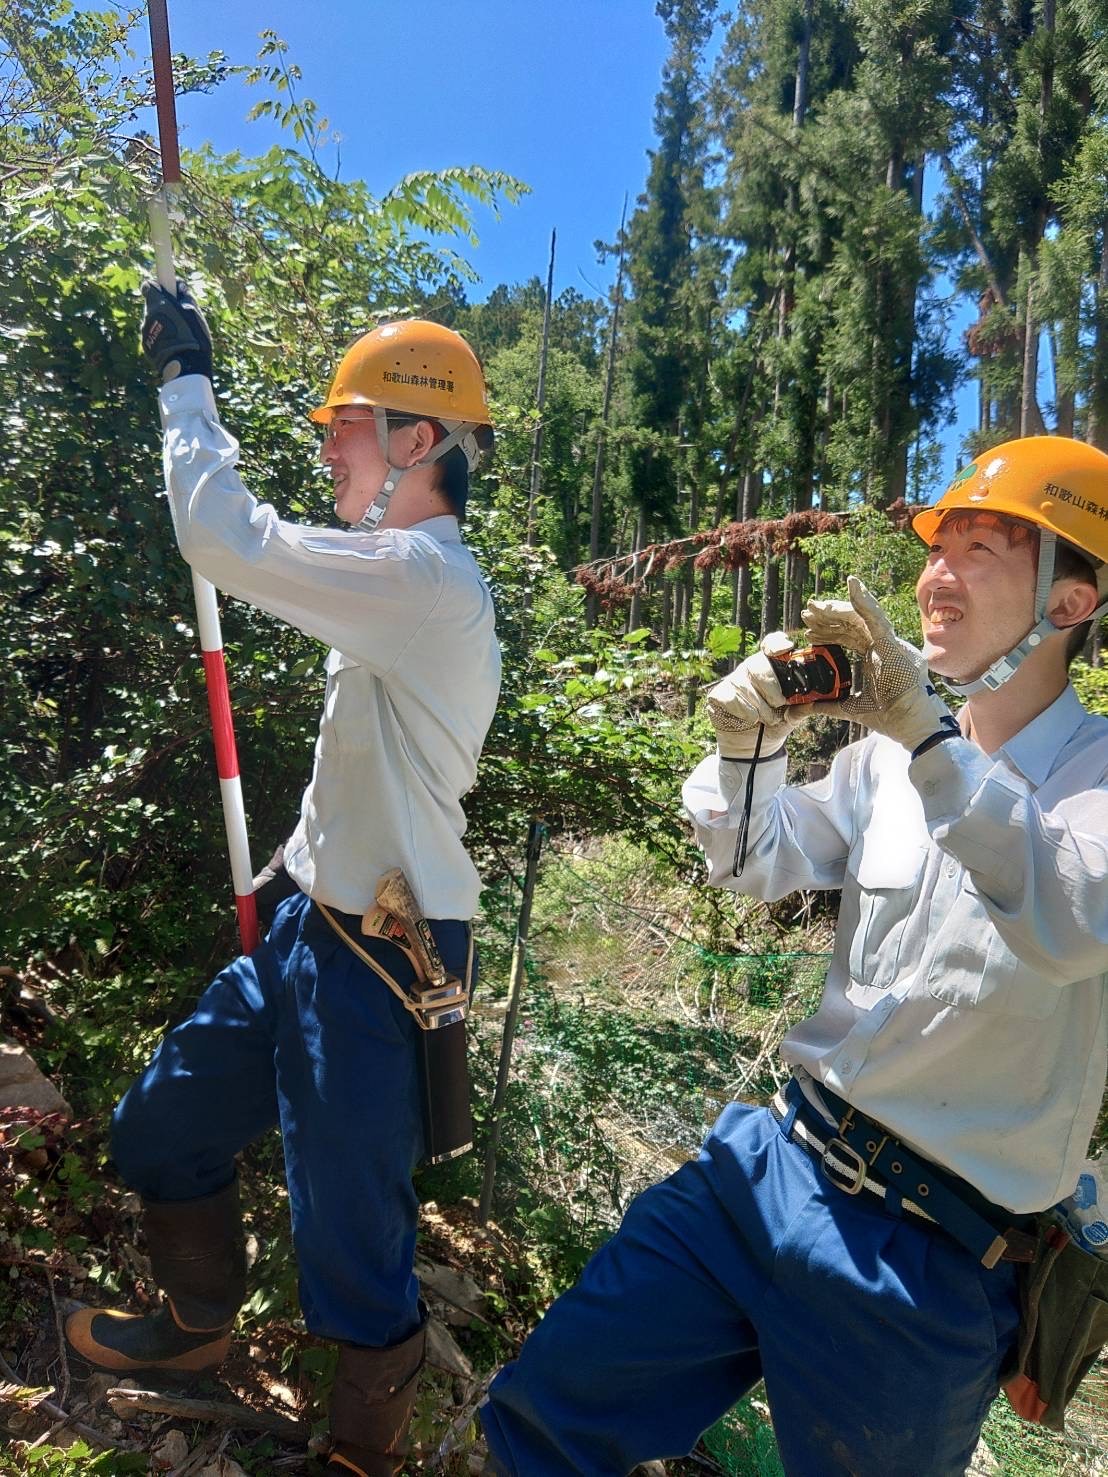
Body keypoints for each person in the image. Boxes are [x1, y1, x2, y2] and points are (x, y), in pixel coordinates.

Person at [478, 436, 1108, 1476]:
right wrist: (744, 744)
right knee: (544, 1419)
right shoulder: (886, 763)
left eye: (979, 549)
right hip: (771, 1163)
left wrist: (931, 739)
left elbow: (1068, 914)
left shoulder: (1089, 780)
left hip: (930, 1254)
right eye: (935, 546)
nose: (934, 574)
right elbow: (750, 861)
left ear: (1070, 603)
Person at [65, 285, 501, 1477]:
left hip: (387, 960)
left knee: (347, 1223)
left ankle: (359, 1454)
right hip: (316, 931)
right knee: (165, 1122)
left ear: (420, 440)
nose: (326, 445)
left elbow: (223, 538)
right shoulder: (387, 573)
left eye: (345, 424)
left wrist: (187, 384)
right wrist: (298, 859)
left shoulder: (423, 580)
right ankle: (200, 1327)